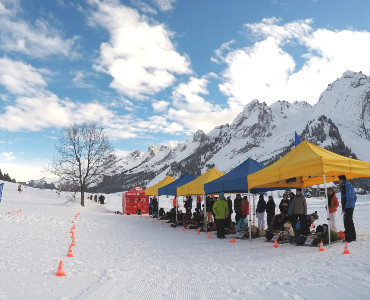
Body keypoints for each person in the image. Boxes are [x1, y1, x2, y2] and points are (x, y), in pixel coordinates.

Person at [338, 175, 357, 242]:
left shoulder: (344, 186)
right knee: (350, 221)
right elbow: (355, 196)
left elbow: (345, 198)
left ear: (342, 180)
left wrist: (343, 208)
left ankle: (348, 239)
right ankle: (353, 237)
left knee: (347, 222)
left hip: (347, 206)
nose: (338, 181)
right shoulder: (350, 185)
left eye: (339, 180)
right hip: (351, 205)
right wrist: (353, 203)